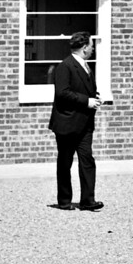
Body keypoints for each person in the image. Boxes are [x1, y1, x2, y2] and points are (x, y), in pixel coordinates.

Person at [47, 32, 102, 211]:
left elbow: (82, 88)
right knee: (65, 162)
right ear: (84, 47)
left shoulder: (86, 66)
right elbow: (62, 93)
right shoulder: (65, 66)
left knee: (87, 160)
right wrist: (87, 101)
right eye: (91, 45)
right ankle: (64, 200)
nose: (93, 49)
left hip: (85, 123)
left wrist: (94, 97)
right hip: (67, 122)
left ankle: (88, 200)